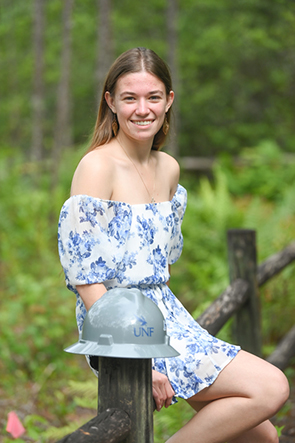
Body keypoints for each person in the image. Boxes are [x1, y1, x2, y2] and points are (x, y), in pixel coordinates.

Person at [58, 47, 289, 442]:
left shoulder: (168, 168)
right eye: (130, 98)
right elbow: (85, 277)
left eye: (153, 97)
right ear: (110, 102)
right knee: (272, 387)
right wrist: (137, 360)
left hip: (167, 314)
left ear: (169, 101)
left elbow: (160, 263)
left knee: (261, 436)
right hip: (118, 325)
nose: (142, 109)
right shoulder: (97, 166)